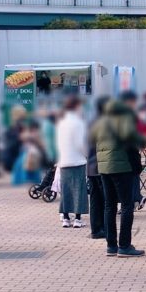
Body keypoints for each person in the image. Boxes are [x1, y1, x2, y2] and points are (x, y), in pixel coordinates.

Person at [93, 93, 146, 257]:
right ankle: (124, 245)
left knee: (109, 206)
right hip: (122, 167)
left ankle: (111, 245)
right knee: (126, 205)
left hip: (103, 168)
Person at [56, 96, 88, 229]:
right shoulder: (79, 123)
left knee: (66, 190)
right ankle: (78, 219)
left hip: (63, 161)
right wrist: (87, 154)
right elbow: (81, 144)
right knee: (79, 190)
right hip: (78, 161)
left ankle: (65, 217)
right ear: (76, 107)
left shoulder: (61, 123)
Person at [86, 95, 110, 239]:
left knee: (95, 199)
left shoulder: (91, 122)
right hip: (101, 164)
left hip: (91, 165)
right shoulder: (105, 123)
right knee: (107, 200)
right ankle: (106, 229)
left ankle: (96, 229)